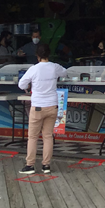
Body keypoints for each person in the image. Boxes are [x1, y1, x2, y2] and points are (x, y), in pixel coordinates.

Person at [17, 43, 66, 175]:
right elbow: (65, 72)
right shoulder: (55, 67)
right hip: (52, 105)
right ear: (49, 54)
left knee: (33, 137)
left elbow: (21, 84)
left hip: (38, 106)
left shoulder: (34, 69)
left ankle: (30, 165)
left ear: (37, 56)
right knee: (48, 136)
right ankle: (46, 165)